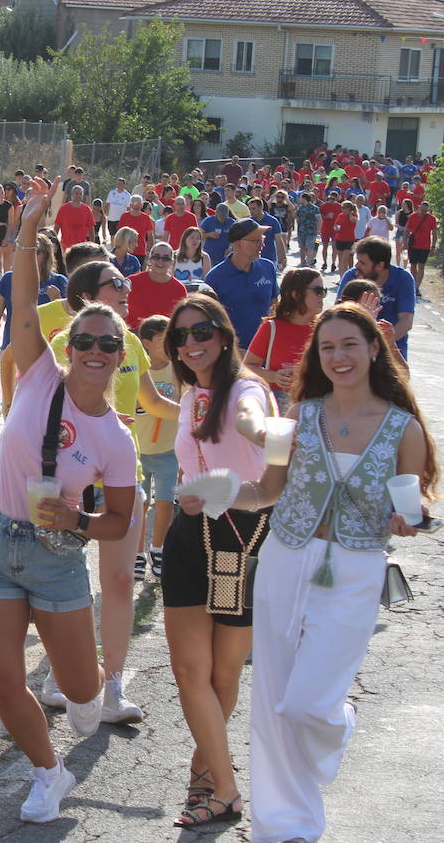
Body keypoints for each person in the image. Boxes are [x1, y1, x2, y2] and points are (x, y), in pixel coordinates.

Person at [182, 303, 435, 843]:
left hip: (355, 568)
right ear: (316, 357)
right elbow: (267, 492)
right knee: (275, 697)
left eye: (349, 345)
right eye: (327, 348)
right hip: (285, 558)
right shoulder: (296, 416)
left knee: (308, 703)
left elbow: (412, 509)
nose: (338, 356)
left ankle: (333, 727)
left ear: (374, 349)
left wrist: (412, 521)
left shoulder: (402, 428)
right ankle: (285, 826)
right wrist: (217, 490)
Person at [0, 177, 138, 824]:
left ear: (120, 356)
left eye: (106, 344)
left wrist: (79, 519)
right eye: (84, 341)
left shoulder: (114, 440)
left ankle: (89, 694)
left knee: (80, 692)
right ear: (69, 348)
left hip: (56, 553)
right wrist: (29, 227)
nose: (93, 350)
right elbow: (27, 298)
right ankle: (48, 771)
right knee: (4, 681)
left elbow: (120, 519)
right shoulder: (39, 371)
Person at [36, 258, 180, 725]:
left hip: (122, 478)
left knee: (119, 583)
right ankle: (62, 676)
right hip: (72, 482)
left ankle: (112, 685)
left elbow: (152, 402)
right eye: (114, 284)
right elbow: (47, 404)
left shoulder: (131, 341)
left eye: (124, 282)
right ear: (85, 295)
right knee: (68, 581)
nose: (126, 288)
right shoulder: (66, 341)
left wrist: (203, 412)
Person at [161, 293, 275, 828]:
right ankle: (223, 785)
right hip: (190, 537)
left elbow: (254, 424)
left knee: (224, 670)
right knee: (190, 669)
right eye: (181, 336)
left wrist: (272, 435)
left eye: (201, 331)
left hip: (238, 537)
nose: (191, 343)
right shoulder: (190, 396)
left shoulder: (248, 390)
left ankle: (205, 776)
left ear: (224, 333)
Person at [0, 235, 68, 418]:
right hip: (12, 353)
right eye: (25, 251)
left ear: (46, 256)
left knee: (45, 412)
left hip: (48, 357)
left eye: (35, 252)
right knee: (13, 410)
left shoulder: (59, 282)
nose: (29, 257)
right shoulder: (9, 279)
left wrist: (58, 301)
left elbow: (73, 323)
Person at [133, 316, 178, 580]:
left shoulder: (179, 370)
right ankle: (137, 554)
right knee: (141, 505)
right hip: (139, 450)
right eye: (164, 341)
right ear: (147, 343)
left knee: (166, 503)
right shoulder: (140, 370)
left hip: (167, 450)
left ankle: (157, 548)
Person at [246, 268, 325, 413]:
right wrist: (273, 376)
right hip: (278, 406)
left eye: (324, 290)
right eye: (318, 291)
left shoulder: (324, 329)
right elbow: (247, 367)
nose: (323, 296)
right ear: (296, 294)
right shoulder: (271, 328)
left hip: (314, 406)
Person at [334, 236, 415, 359]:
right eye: (357, 260)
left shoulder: (403, 278)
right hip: (356, 350)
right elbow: (337, 315)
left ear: (380, 266)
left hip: (391, 349)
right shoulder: (351, 276)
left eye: (362, 262)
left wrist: (381, 344)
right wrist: (360, 288)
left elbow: (406, 321)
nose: (356, 265)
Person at [204, 218, 278, 349]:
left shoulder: (268, 267)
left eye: (262, 240)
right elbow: (208, 321)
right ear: (237, 243)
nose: (262, 245)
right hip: (232, 354)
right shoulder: (215, 277)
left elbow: (274, 304)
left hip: (268, 349)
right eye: (256, 241)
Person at [125, 241, 186, 330]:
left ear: (172, 262)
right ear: (149, 259)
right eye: (156, 257)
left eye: (166, 258)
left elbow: (180, 319)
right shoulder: (131, 282)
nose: (160, 261)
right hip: (134, 336)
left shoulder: (179, 289)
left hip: (164, 336)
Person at [247, 197, 286, 268]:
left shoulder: (272, 221)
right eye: (250, 209)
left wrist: (283, 258)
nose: (251, 211)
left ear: (261, 207)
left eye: (254, 208)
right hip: (252, 259)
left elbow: (279, 240)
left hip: (269, 258)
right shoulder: (248, 222)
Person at [406, 201, 436, 288]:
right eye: (422, 210)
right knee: (413, 265)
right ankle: (413, 284)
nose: (423, 212)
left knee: (421, 266)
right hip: (413, 245)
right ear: (419, 208)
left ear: (428, 210)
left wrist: (433, 247)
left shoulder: (432, 218)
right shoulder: (413, 217)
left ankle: (417, 287)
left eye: (425, 211)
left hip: (425, 246)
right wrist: (404, 242)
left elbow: (434, 233)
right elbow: (407, 230)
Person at [55, 184, 94, 249]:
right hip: (66, 247)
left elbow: (91, 229)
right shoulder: (63, 209)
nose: (78, 195)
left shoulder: (87, 209)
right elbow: (56, 228)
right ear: (72, 194)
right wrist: (55, 243)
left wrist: (93, 245)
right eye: (76, 193)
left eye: (80, 194)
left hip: (81, 248)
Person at [119, 196, 155, 267]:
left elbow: (150, 236)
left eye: (139, 203)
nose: (136, 205)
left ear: (142, 205)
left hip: (141, 251)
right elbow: (120, 234)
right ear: (130, 205)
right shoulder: (124, 216)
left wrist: (151, 252)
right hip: (125, 251)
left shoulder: (146, 218)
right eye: (135, 203)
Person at [295, 191, 321, 269]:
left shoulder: (314, 208)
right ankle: (302, 262)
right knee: (302, 247)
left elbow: (319, 219)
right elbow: (297, 217)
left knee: (310, 246)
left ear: (304, 198)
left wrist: (318, 230)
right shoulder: (300, 208)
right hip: (301, 230)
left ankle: (309, 262)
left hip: (311, 231)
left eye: (301, 198)